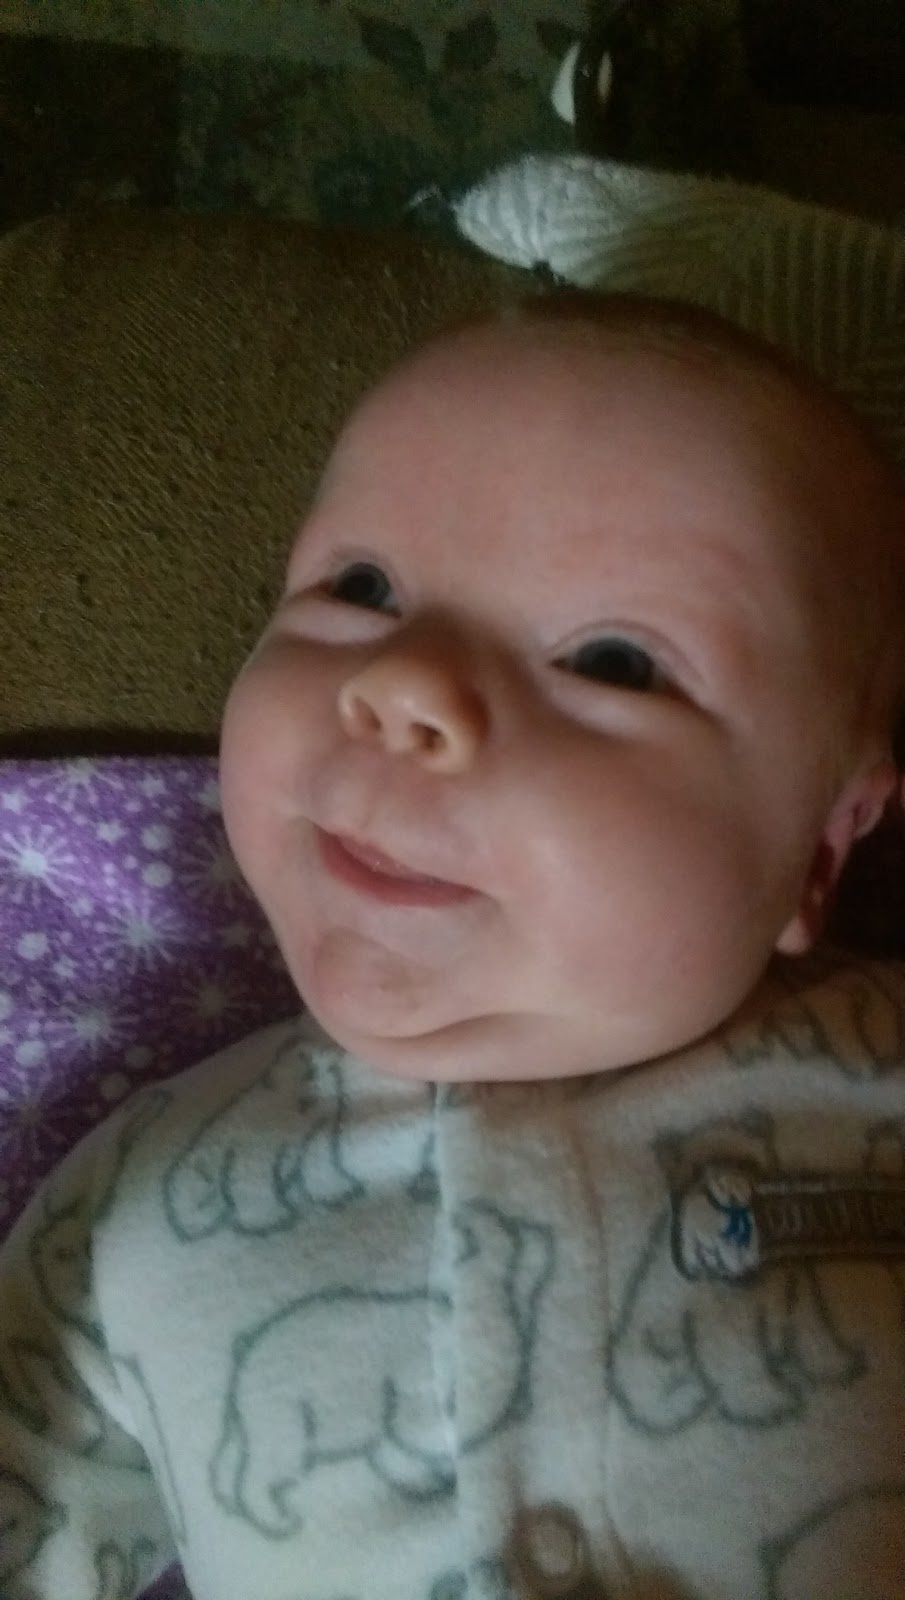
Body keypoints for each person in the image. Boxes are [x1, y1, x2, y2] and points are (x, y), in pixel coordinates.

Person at [3, 292, 905, 1600]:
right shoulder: (139, 1192)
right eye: (360, 589)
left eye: (612, 662)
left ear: (821, 849)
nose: (402, 683)